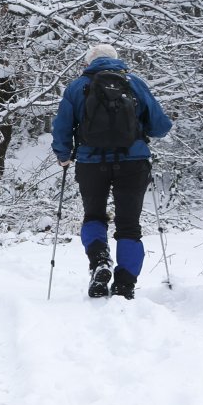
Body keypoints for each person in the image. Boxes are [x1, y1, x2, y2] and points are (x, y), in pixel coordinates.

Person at [50, 42, 173, 299]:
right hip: (133, 163)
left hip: (91, 164)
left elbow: (61, 127)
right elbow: (160, 126)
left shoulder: (76, 87)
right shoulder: (134, 84)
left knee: (93, 216)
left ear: (88, 63)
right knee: (129, 225)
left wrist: (64, 156)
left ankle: (99, 262)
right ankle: (125, 284)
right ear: (118, 61)